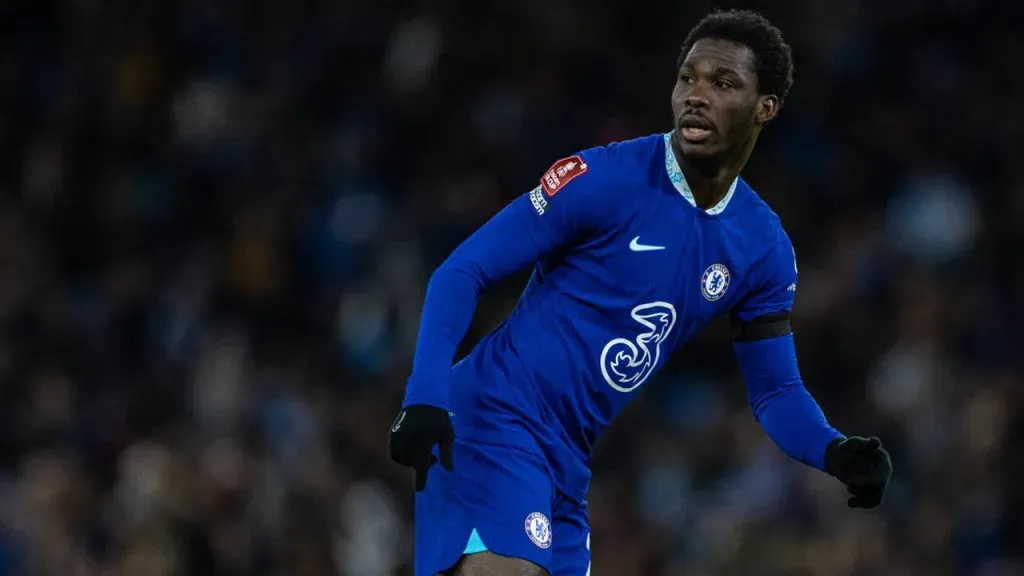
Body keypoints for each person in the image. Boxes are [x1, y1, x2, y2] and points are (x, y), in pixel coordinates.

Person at [388, 9, 893, 576]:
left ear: (765, 107)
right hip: (491, 419)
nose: (696, 95)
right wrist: (424, 397)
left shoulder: (763, 248)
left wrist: (832, 450)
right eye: (688, 77)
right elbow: (462, 271)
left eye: (723, 83)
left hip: (567, 462)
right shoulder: (604, 178)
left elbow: (775, 391)